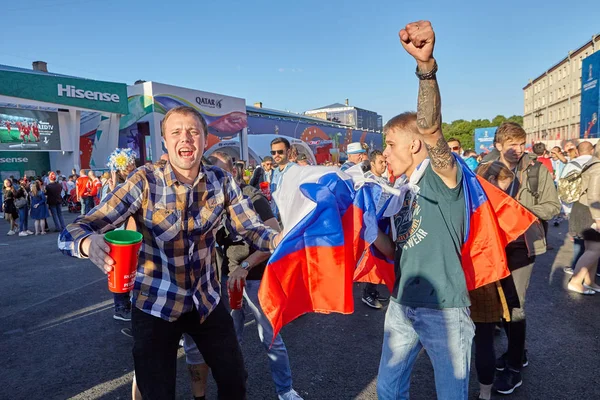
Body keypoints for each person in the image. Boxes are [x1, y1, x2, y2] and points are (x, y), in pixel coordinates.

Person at [58, 106, 282, 399]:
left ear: (205, 139)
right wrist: (88, 244)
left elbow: (251, 228)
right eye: (176, 132)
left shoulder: (222, 180)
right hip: (155, 304)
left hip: (206, 299)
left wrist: (278, 240)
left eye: (193, 131)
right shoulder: (144, 181)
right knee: (157, 392)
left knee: (235, 379)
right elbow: (74, 230)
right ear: (164, 141)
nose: (185, 138)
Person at [373, 21, 475, 399]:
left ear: (414, 147)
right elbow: (393, 249)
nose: (384, 152)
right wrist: (369, 227)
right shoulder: (399, 189)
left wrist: (425, 67)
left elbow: (431, 129)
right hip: (401, 306)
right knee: (388, 391)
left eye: (390, 143)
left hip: (444, 313)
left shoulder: (441, 175)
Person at [206, 151, 302, 400]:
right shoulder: (211, 199)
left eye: (219, 172)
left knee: (270, 337)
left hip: (256, 277)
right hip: (227, 278)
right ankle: (237, 385)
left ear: (233, 171)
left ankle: (285, 390)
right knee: (230, 338)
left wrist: (246, 264)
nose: (212, 179)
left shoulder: (252, 196)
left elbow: (275, 236)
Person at [483, 121, 560, 395]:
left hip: (523, 245)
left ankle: (515, 367)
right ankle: (519, 351)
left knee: (516, 305)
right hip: (495, 246)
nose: (517, 150)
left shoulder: (536, 169)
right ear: (498, 146)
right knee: (501, 302)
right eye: (511, 145)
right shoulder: (487, 167)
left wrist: (515, 207)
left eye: (521, 144)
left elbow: (553, 207)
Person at [472, 161, 517, 400]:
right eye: (501, 188)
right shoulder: (496, 210)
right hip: (485, 279)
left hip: (459, 275)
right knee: (483, 340)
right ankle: (485, 393)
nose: (504, 194)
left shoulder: (460, 198)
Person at [564, 141, 600, 294]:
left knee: (593, 249)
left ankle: (589, 281)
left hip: (585, 209)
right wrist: (598, 219)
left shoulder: (593, 163)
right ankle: (576, 281)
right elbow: (593, 195)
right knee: (594, 249)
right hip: (590, 211)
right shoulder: (598, 167)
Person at [361, 149, 390, 309]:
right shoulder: (368, 182)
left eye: (385, 161)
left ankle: (372, 291)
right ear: (372, 163)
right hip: (372, 228)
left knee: (378, 262)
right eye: (381, 162)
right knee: (372, 263)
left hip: (382, 226)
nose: (384, 165)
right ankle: (368, 293)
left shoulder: (383, 180)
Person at [270, 137, 296, 221]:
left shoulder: (295, 169)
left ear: (288, 152)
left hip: (289, 217)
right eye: (273, 152)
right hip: (276, 216)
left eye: (280, 152)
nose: (276, 155)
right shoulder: (275, 171)